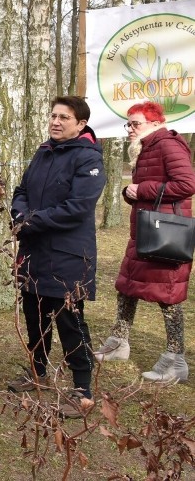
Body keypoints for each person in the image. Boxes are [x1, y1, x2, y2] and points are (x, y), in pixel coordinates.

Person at [8, 96, 105, 419]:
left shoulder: (88, 159)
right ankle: (37, 370)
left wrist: (31, 222)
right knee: (34, 315)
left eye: (64, 117)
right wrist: (20, 213)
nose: (56, 121)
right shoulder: (43, 152)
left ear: (80, 124)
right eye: (53, 115)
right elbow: (21, 190)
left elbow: (78, 207)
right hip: (34, 251)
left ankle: (82, 389)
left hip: (68, 254)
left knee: (69, 320)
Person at [94, 101, 195, 383]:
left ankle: (176, 360)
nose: (130, 129)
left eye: (135, 123)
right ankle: (118, 343)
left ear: (155, 122)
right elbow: (146, 189)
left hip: (165, 234)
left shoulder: (168, 144)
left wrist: (143, 189)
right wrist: (131, 192)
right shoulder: (148, 146)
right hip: (146, 230)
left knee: (169, 296)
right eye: (128, 123)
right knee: (126, 287)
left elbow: (187, 184)